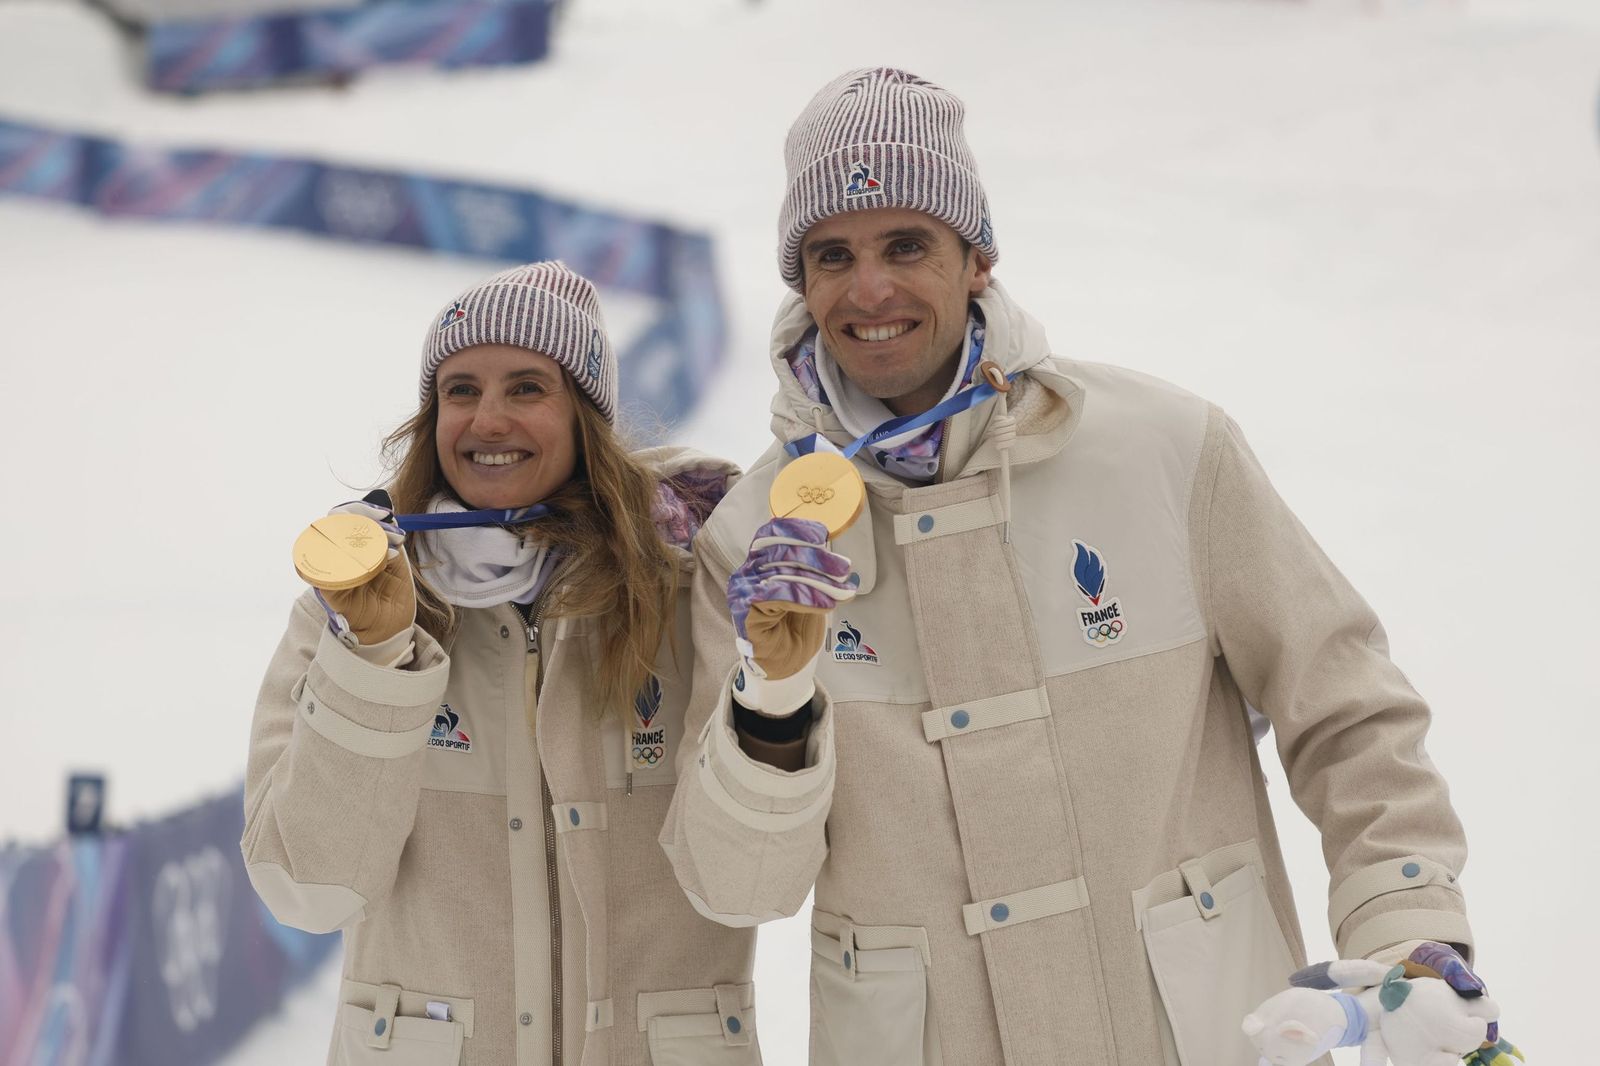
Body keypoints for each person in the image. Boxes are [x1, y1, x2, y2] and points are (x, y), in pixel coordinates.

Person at [661, 69, 1509, 1066]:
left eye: (907, 245)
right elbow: (740, 888)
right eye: (831, 254)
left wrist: (1406, 934)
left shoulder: (1163, 448)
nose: (870, 288)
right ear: (800, 281)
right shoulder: (757, 543)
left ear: (977, 258)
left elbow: (1349, 712)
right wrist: (772, 701)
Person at [243, 261, 761, 1065]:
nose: (488, 419)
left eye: (526, 388)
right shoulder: (354, 604)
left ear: (586, 417)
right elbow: (307, 889)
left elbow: (755, 878)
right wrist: (375, 659)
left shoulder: (690, 587)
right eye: (460, 390)